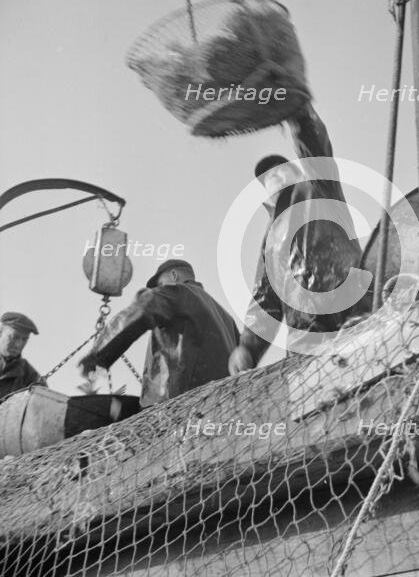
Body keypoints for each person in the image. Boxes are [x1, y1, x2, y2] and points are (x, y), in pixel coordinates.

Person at [228, 103, 367, 375]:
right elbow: (264, 301)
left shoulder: (321, 189)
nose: (275, 175)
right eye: (267, 177)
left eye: (282, 169)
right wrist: (247, 346)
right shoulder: (269, 242)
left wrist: (298, 115)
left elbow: (315, 151)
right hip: (305, 345)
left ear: (299, 173)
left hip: (353, 318)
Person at [79, 259, 239, 407]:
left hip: (175, 404)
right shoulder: (229, 321)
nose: (159, 289)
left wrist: (97, 356)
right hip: (221, 406)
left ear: (174, 276)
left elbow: (143, 307)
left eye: (160, 284)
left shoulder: (178, 292)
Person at [0, 312, 45, 400]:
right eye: (14, 337)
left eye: (24, 339)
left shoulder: (30, 376)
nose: (18, 344)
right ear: (0, 333)